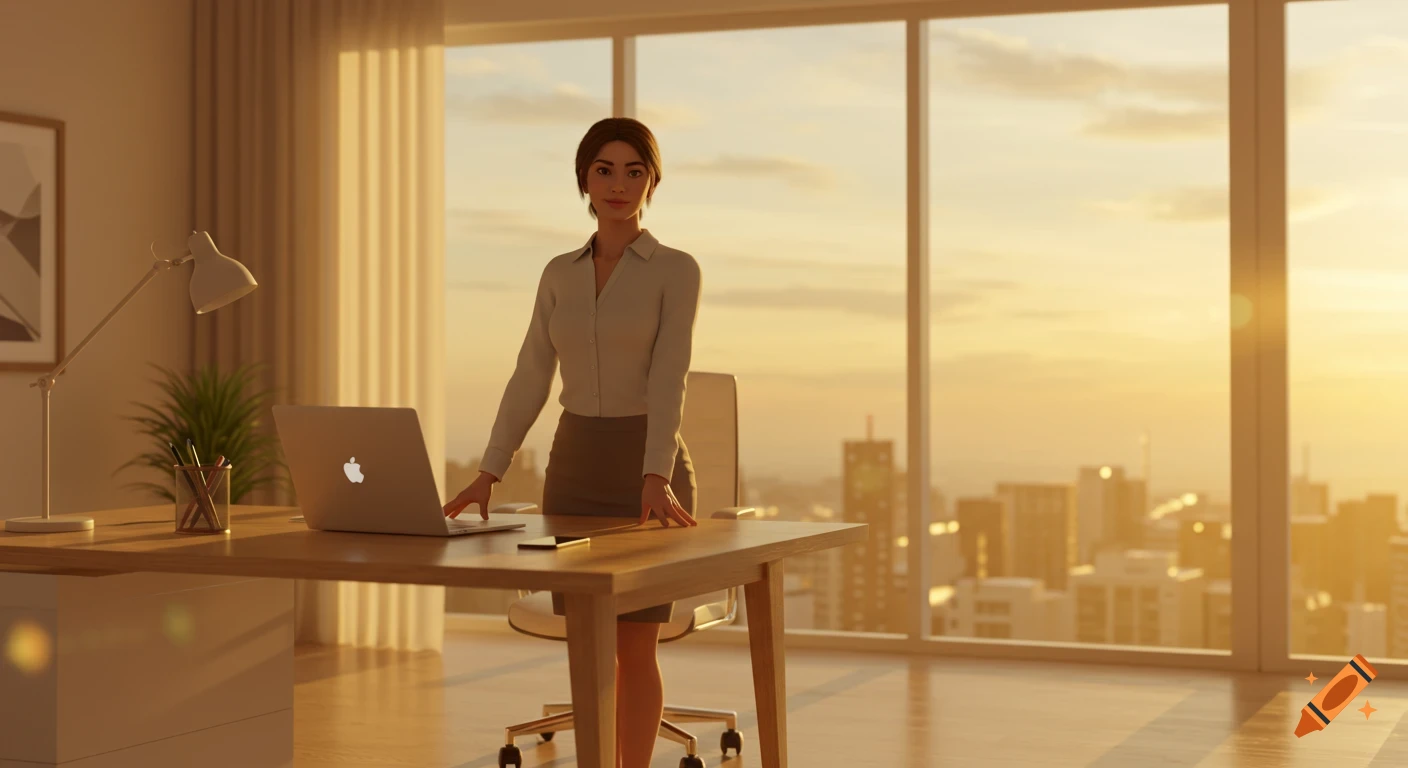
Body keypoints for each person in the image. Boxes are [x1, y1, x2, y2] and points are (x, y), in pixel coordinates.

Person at [442, 116, 702, 768]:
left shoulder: (675, 270)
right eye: (604, 170)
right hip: (575, 463)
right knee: (587, 644)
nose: (618, 185)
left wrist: (657, 472)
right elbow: (531, 372)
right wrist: (489, 472)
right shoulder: (558, 274)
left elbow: (672, 376)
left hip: (648, 466)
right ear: (584, 180)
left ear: (653, 180)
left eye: (634, 170)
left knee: (635, 645)